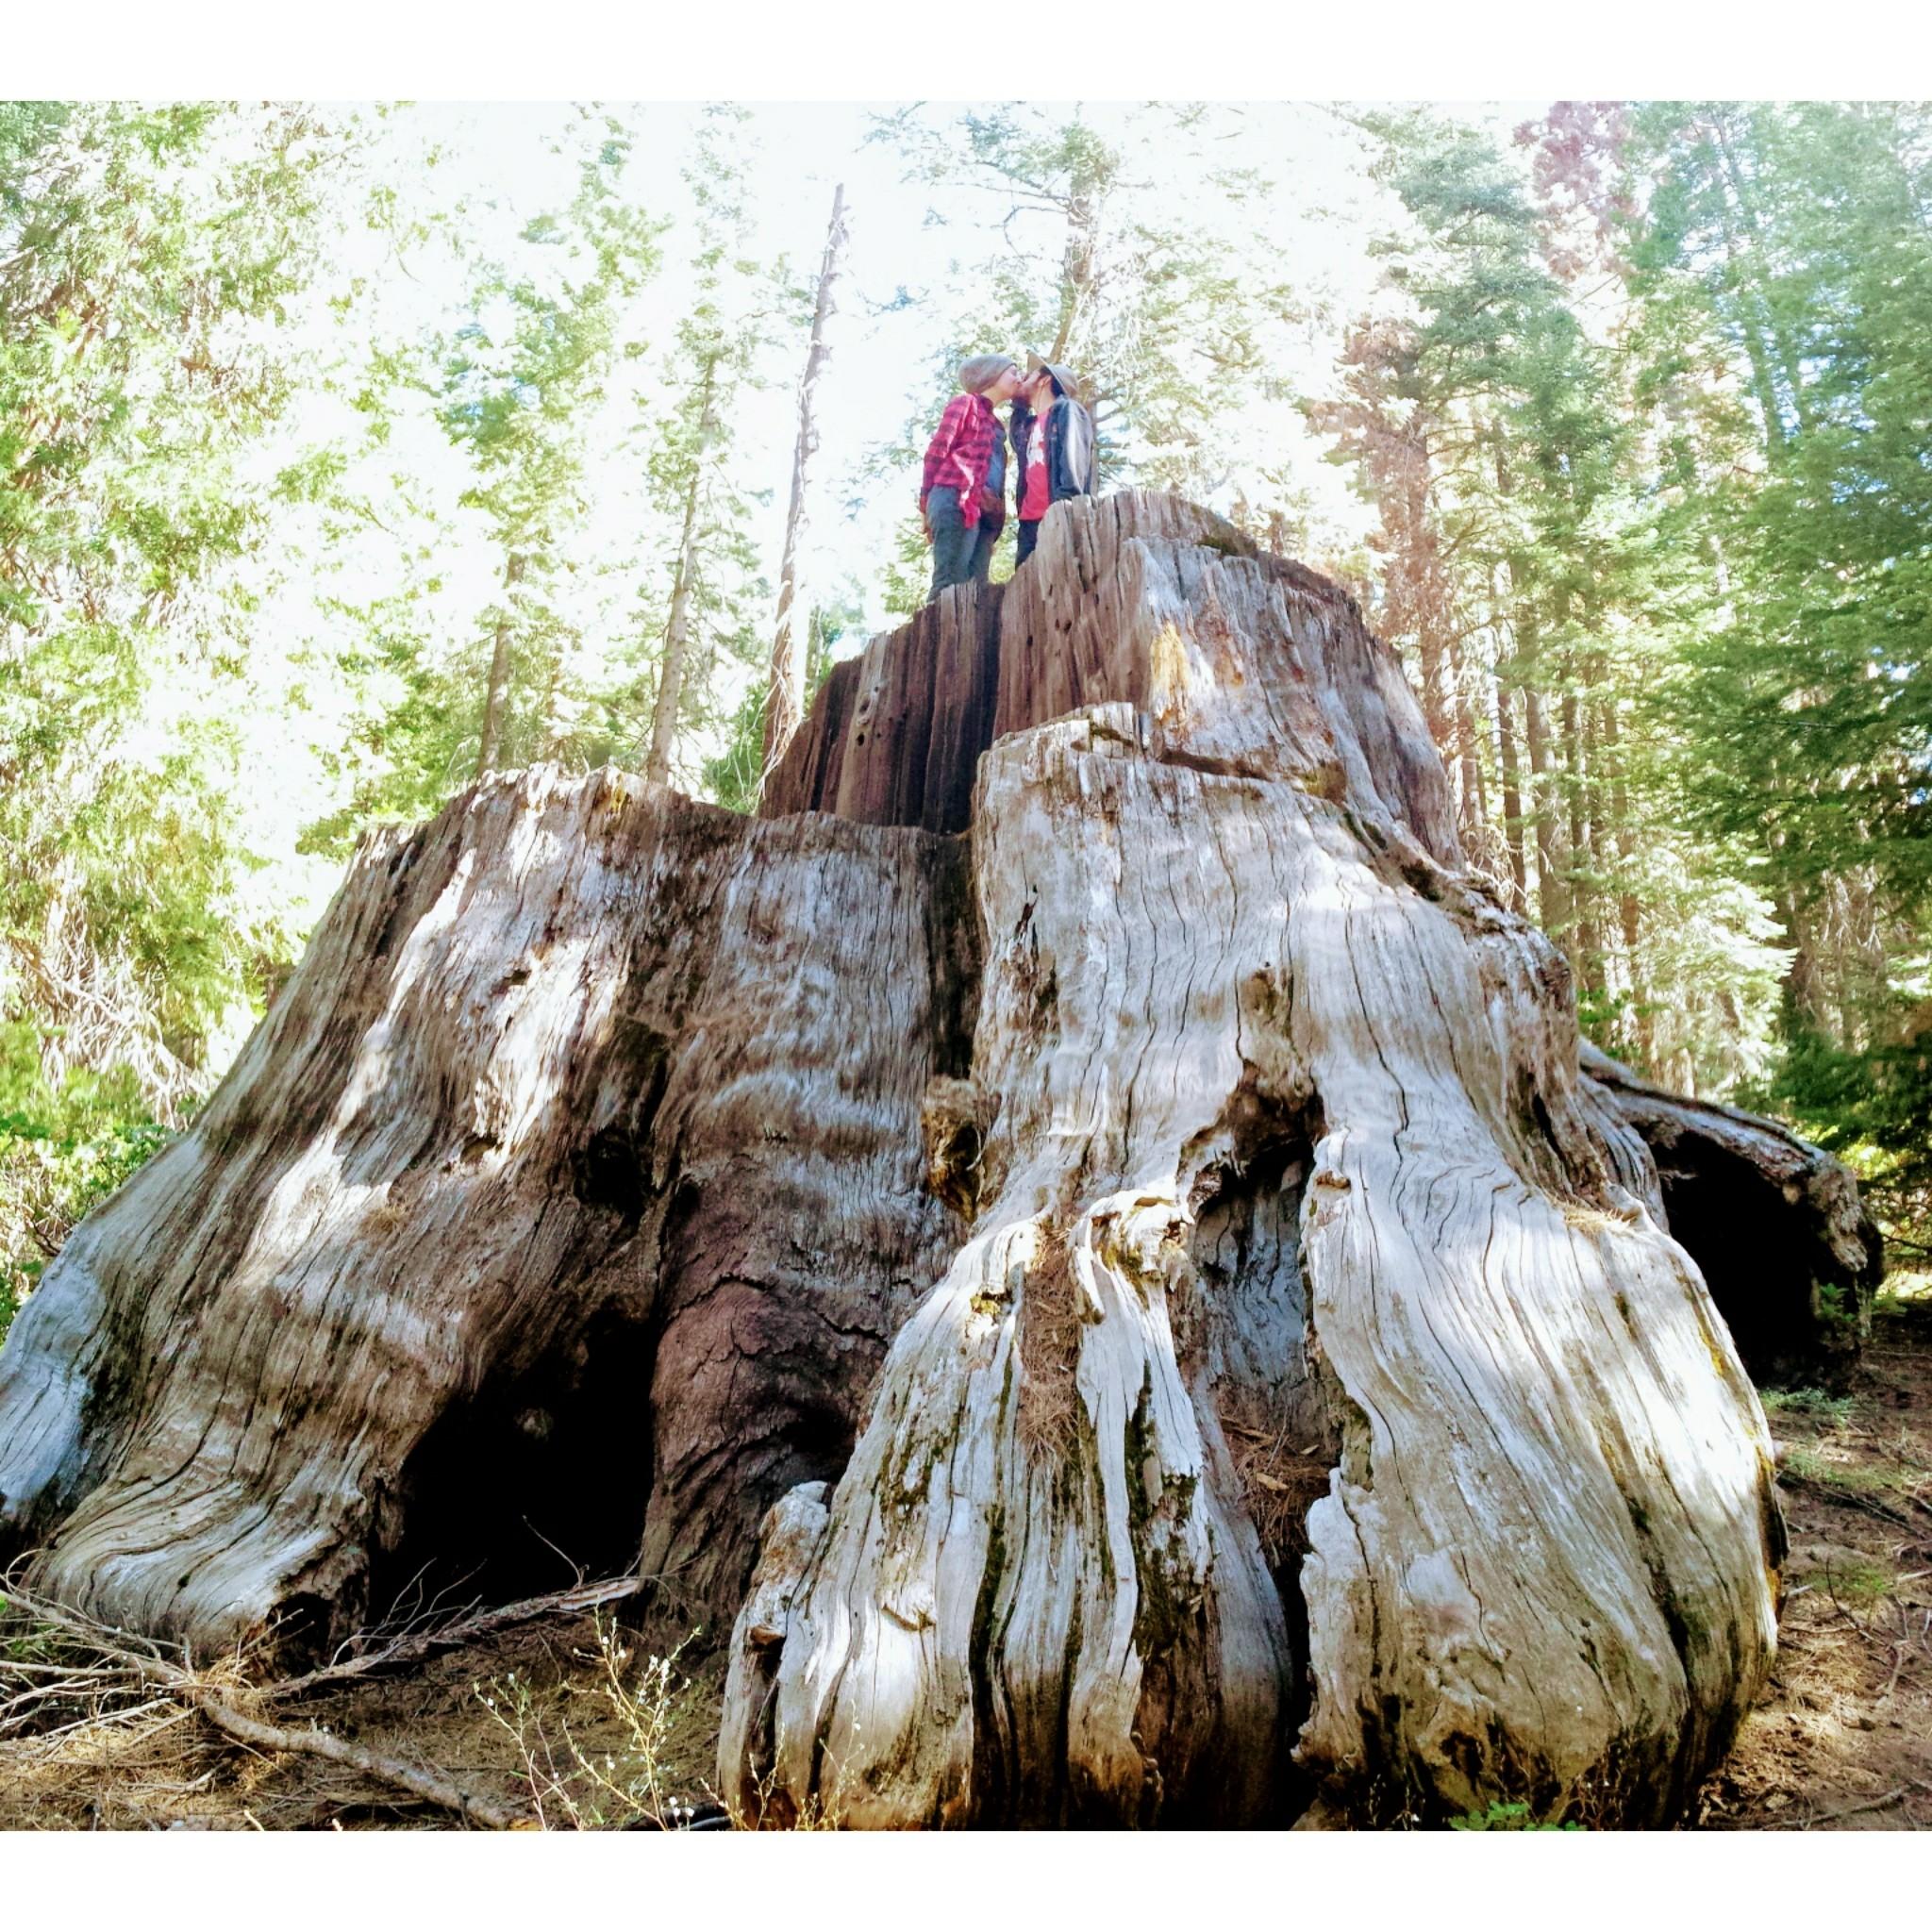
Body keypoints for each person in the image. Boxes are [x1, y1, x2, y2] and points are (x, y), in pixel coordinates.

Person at [919, 354, 1023, 601]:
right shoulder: (965, 404)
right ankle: (939, 637)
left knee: (978, 592)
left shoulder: (997, 425)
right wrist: (925, 503)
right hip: (955, 497)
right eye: (1013, 372)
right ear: (992, 375)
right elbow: (937, 451)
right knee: (949, 583)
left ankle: (967, 640)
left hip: (985, 511)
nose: (1018, 378)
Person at [1008, 356, 1097, 565]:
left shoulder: (1067, 411)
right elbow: (1014, 436)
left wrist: (1064, 511)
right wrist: (1018, 402)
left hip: (1059, 516)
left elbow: (1073, 462)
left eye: (1029, 376)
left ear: (1044, 380)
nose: (1022, 379)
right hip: (1028, 525)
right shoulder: (1028, 426)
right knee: (1026, 590)